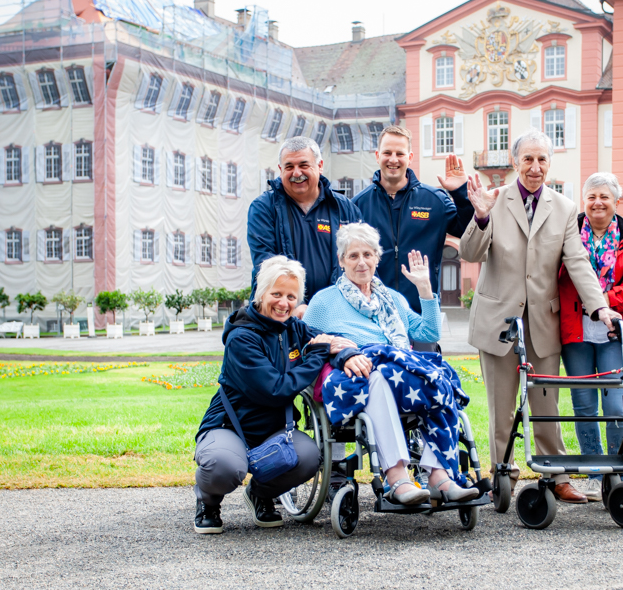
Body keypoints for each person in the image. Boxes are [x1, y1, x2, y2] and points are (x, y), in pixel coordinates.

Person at [461, 130, 622, 504]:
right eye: (528, 159)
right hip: (499, 320)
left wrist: (598, 306)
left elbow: (577, 262)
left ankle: (557, 476)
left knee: (546, 403)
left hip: (543, 322)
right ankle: (503, 473)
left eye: (542, 160)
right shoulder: (495, 200)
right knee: (502, 407)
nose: (535, 167)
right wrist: (481, 216)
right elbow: (470, 252)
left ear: (550, 163)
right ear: (515, 162)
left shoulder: (564, 208)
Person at [303, 223, 479, 505]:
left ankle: (439, 475)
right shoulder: (324, 302)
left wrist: (424, 288)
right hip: (356, 375)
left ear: (377, 257)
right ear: (341, 261)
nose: (362, 262)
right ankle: (397, 478)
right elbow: (305, 343)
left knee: (437, 375)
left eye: (368, 255)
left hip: (400, 374)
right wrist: (334, 346)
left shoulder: (393, 299)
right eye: (353, 256)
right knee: (380, 375)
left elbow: (428, 333)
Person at [193, 256, 355, 533]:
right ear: (260, 292)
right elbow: (275, 389)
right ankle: (208, 502)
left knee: (308, 457)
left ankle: (261, 494)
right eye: (276, 294)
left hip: (275, 430)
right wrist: (317, 355)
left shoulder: (294, 328)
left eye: (291, 296)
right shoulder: (241, 338)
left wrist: (348, 354)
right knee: (225, 466)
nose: (284, 303)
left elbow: (325, 341)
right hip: (229, 426)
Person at [557, 172, 623, 502]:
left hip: (615, 333)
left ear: (617, 202)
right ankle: (594, 469)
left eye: (604, 197)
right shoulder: (566, 234)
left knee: (616, 402)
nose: (597, 203)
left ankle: (617, 470)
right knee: (584, 403)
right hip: (575, 330)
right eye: (591, 197)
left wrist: (605, 301)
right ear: (582, 201)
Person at [351, 125, 475, 320]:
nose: (393, 159)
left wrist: (460, 194)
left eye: (400, 153)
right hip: (371, 316)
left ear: (410, 157)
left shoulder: (435, 200)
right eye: (387, 153)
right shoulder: (358, 205)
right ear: (377, 156)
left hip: (421, 314)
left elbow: (468, 231)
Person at [247, 136, 362, 310]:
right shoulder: (263, 208)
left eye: (303, 165)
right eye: (289, 167)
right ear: (280, 169)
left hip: (337, 312)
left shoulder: (346, 209)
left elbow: (362, 260)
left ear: (320, 166)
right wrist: (295, 303)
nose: (296, 173)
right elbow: (266, 263)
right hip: (282, 313)